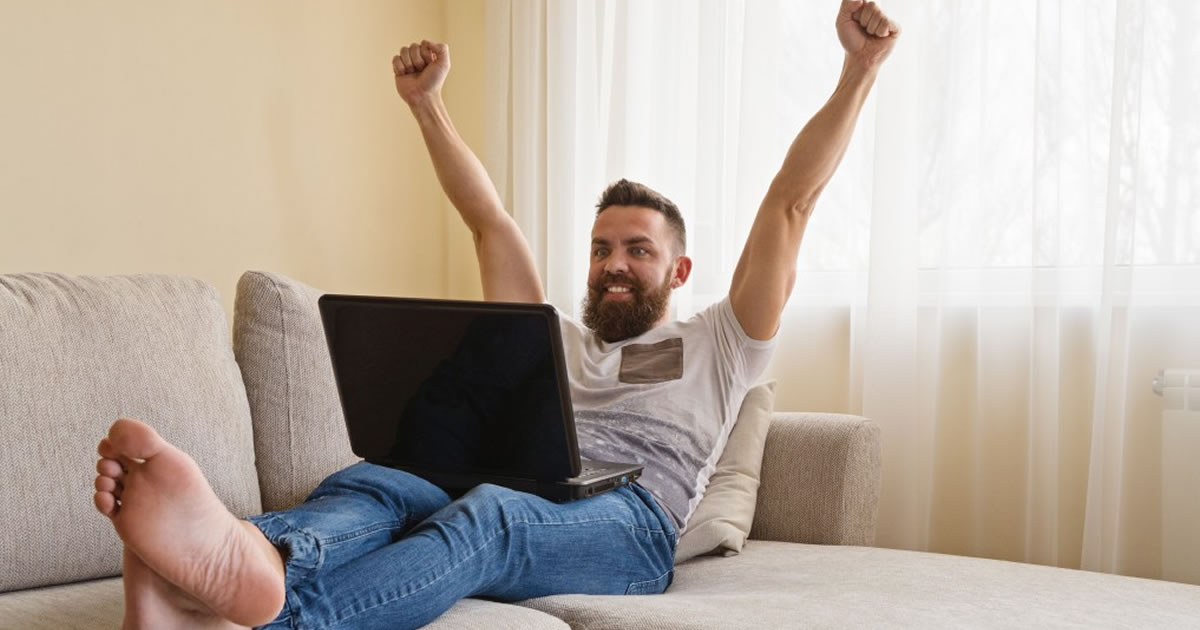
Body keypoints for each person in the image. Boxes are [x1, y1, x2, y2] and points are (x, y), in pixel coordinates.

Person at [92, 2, 898, 628]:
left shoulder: (723, 341)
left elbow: (790, 204)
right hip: (519, 478)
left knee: (492, 514)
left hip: (629, 525)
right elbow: (490, 224)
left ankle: (280, 616)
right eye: (601, 248)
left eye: (639, 251)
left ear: (679, 269)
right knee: (381, 482)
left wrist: (858, 72)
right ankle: (248, 555)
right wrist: (426, 106)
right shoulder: (553, 341)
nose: (615, 263)